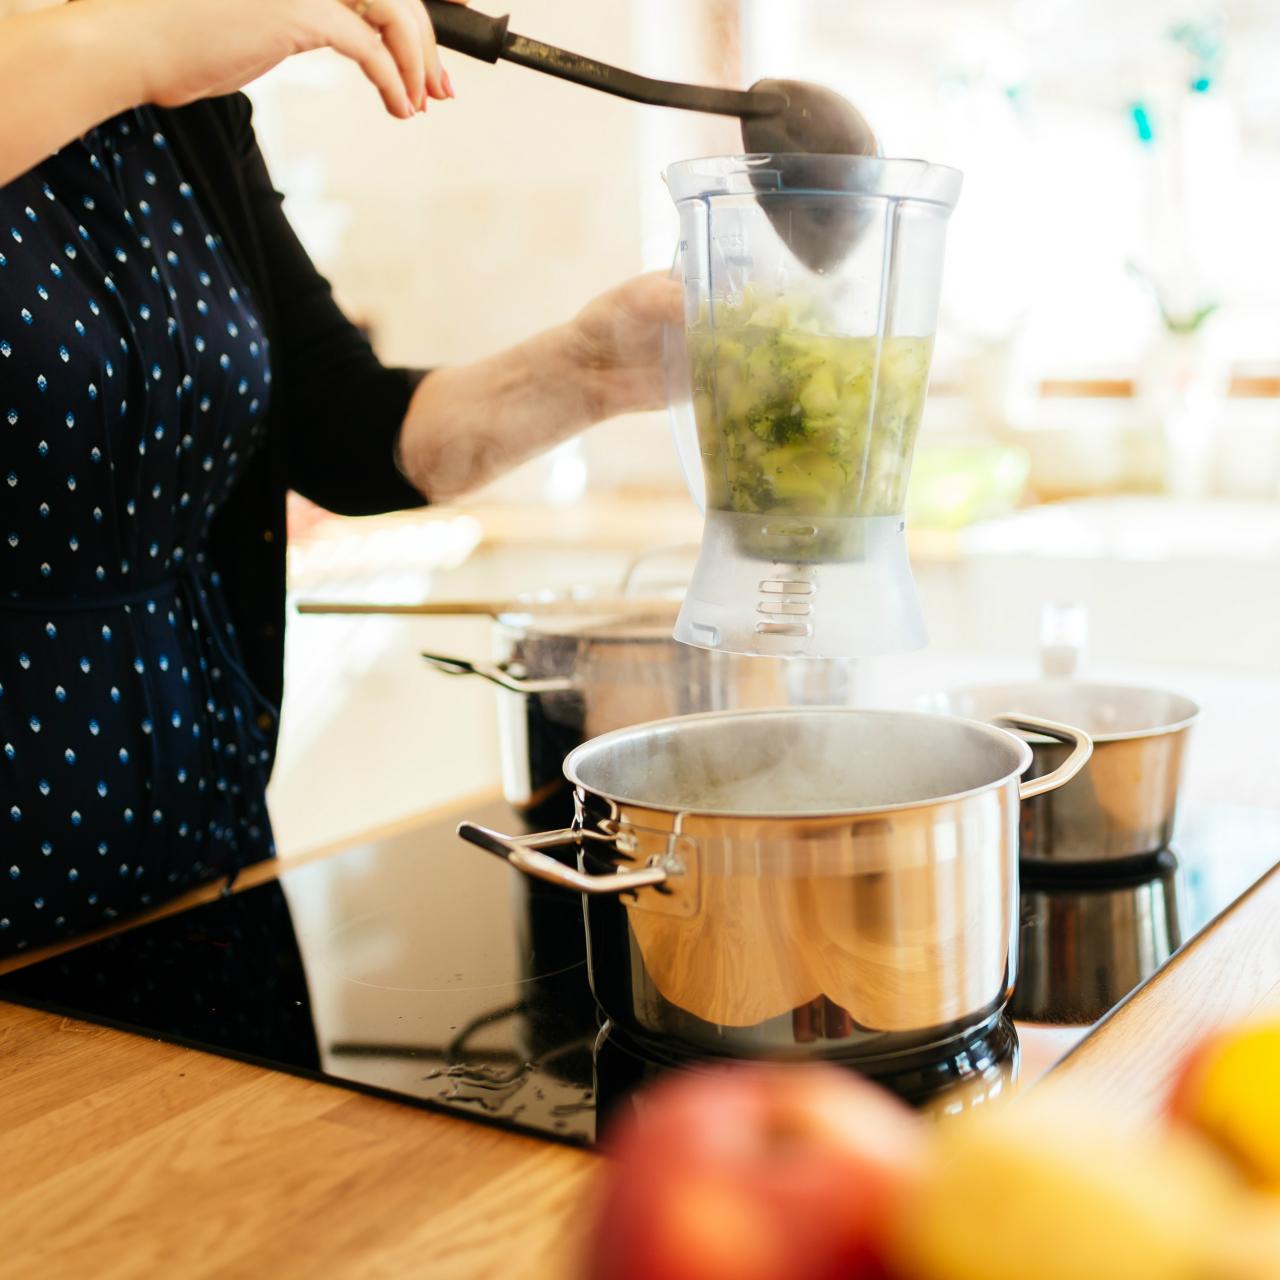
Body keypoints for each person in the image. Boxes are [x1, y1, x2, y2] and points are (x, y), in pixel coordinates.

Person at [0, 0, 680, 955]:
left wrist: (597, 368)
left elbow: (347, 433)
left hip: (203, 863)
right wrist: (147, 34)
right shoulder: (143, 52)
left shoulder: (183, 112)